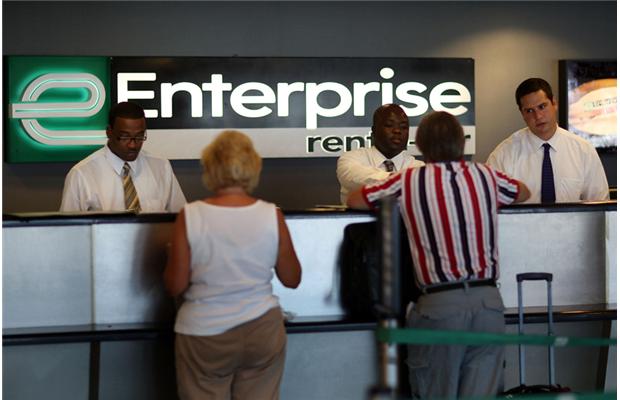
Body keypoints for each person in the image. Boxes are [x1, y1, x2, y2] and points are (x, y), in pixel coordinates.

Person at [347, 111, 530, 399]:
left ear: (420, 144)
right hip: (489, 305)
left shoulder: (409, 180)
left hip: (440, 306)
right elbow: (523, 192)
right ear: (461, 142)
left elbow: (355, 199)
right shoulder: (486, 175)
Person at [164, 130, 302, 400]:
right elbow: (292, 279)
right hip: (262, 329)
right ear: (253, 166)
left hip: (205, 332)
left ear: (210, 167)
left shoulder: (190, 215)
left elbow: (175, 285)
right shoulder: (271, 215)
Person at [487, 77, 609, 203]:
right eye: (529, 111)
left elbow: (600, 203)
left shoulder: (583, 150)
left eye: (542, 106)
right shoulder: (503, 155)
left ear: (554, 104)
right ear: (522, 114)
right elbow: (489, 203)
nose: (538, 116)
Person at [60, 101, 186, 212]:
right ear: (109, 132)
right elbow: (68, 227)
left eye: (139, 137)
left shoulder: (161, 167)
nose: (133, 145)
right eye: (124, 137)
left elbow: (181, 218)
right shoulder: (82, 174)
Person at [336, 103, 424, 204]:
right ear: (374, 130)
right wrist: (407, 181)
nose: (397, 131)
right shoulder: (350, 159)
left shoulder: (418, 167)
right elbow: (354, 178)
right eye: (389, 125)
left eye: (403, 127)